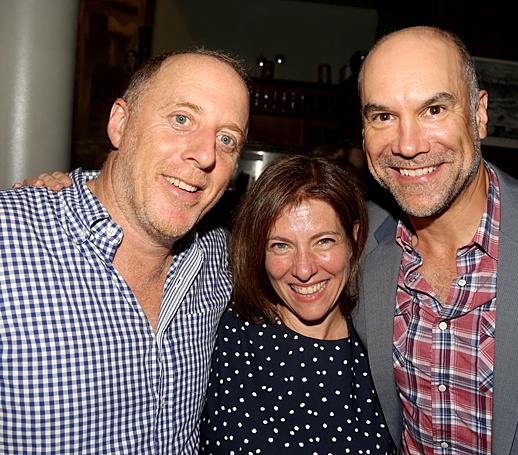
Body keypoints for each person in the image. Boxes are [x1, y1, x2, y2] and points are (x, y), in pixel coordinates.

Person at [355, 25, 518, 455]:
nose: (408, 145)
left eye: (434, 109)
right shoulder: (358, 246)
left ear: (479, 113)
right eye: (383, 116)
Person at [1, 47, 250, 454]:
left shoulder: (219, 258)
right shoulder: (9, 243)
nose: (206, 155)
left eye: (227, 139)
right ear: (120, 122)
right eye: (182, 119)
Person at [199, 154, 396, 453]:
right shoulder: (223, 337)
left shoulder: (385, 344)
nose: (303, 270)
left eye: (324, 241)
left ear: (353, 239)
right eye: (281, 245)